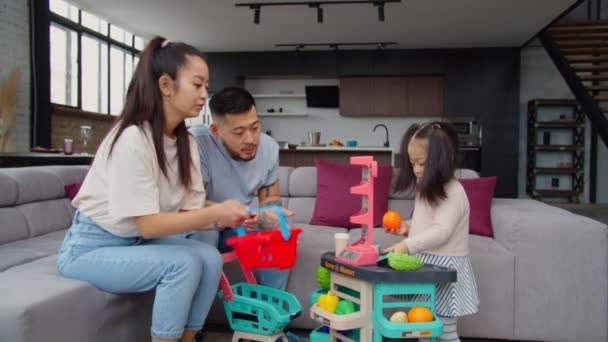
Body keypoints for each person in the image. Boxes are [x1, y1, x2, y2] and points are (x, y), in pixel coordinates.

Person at [57, 37, 249, 342]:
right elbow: (149, 225)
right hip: (90, 249)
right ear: (166, 85)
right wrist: (216, 213)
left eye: (205, 86)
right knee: (182, 263)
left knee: (210, 258)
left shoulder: (185, 142)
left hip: (132, 243)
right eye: (197, 84)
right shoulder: (133, 139)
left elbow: (190, 211)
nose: (204, 95)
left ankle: (187, 339)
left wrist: (230, 215)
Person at [188, 87, 303, 342]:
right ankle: (193, 329)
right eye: (239, 132)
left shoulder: (269, 148)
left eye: (255, 127)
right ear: (216, 131)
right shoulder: (198, 143)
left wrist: (267, 216)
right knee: (204, 235)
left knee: (281, 224)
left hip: (238, 226)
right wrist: (241, 213)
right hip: (206, 223)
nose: (251, 139)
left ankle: (270, 322)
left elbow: (271, 201)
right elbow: (195, 205)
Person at [384, 121, 479, 342]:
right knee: (423, 325)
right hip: (429, 266)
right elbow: (426, 224)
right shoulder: (427, 189)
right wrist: (408, 228)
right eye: (412, 163)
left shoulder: (454, 191)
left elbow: (442, 231)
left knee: (444, 331)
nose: (416, 169)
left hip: (445, 269)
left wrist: (408, 245)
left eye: (421, 162)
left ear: (441, 160)